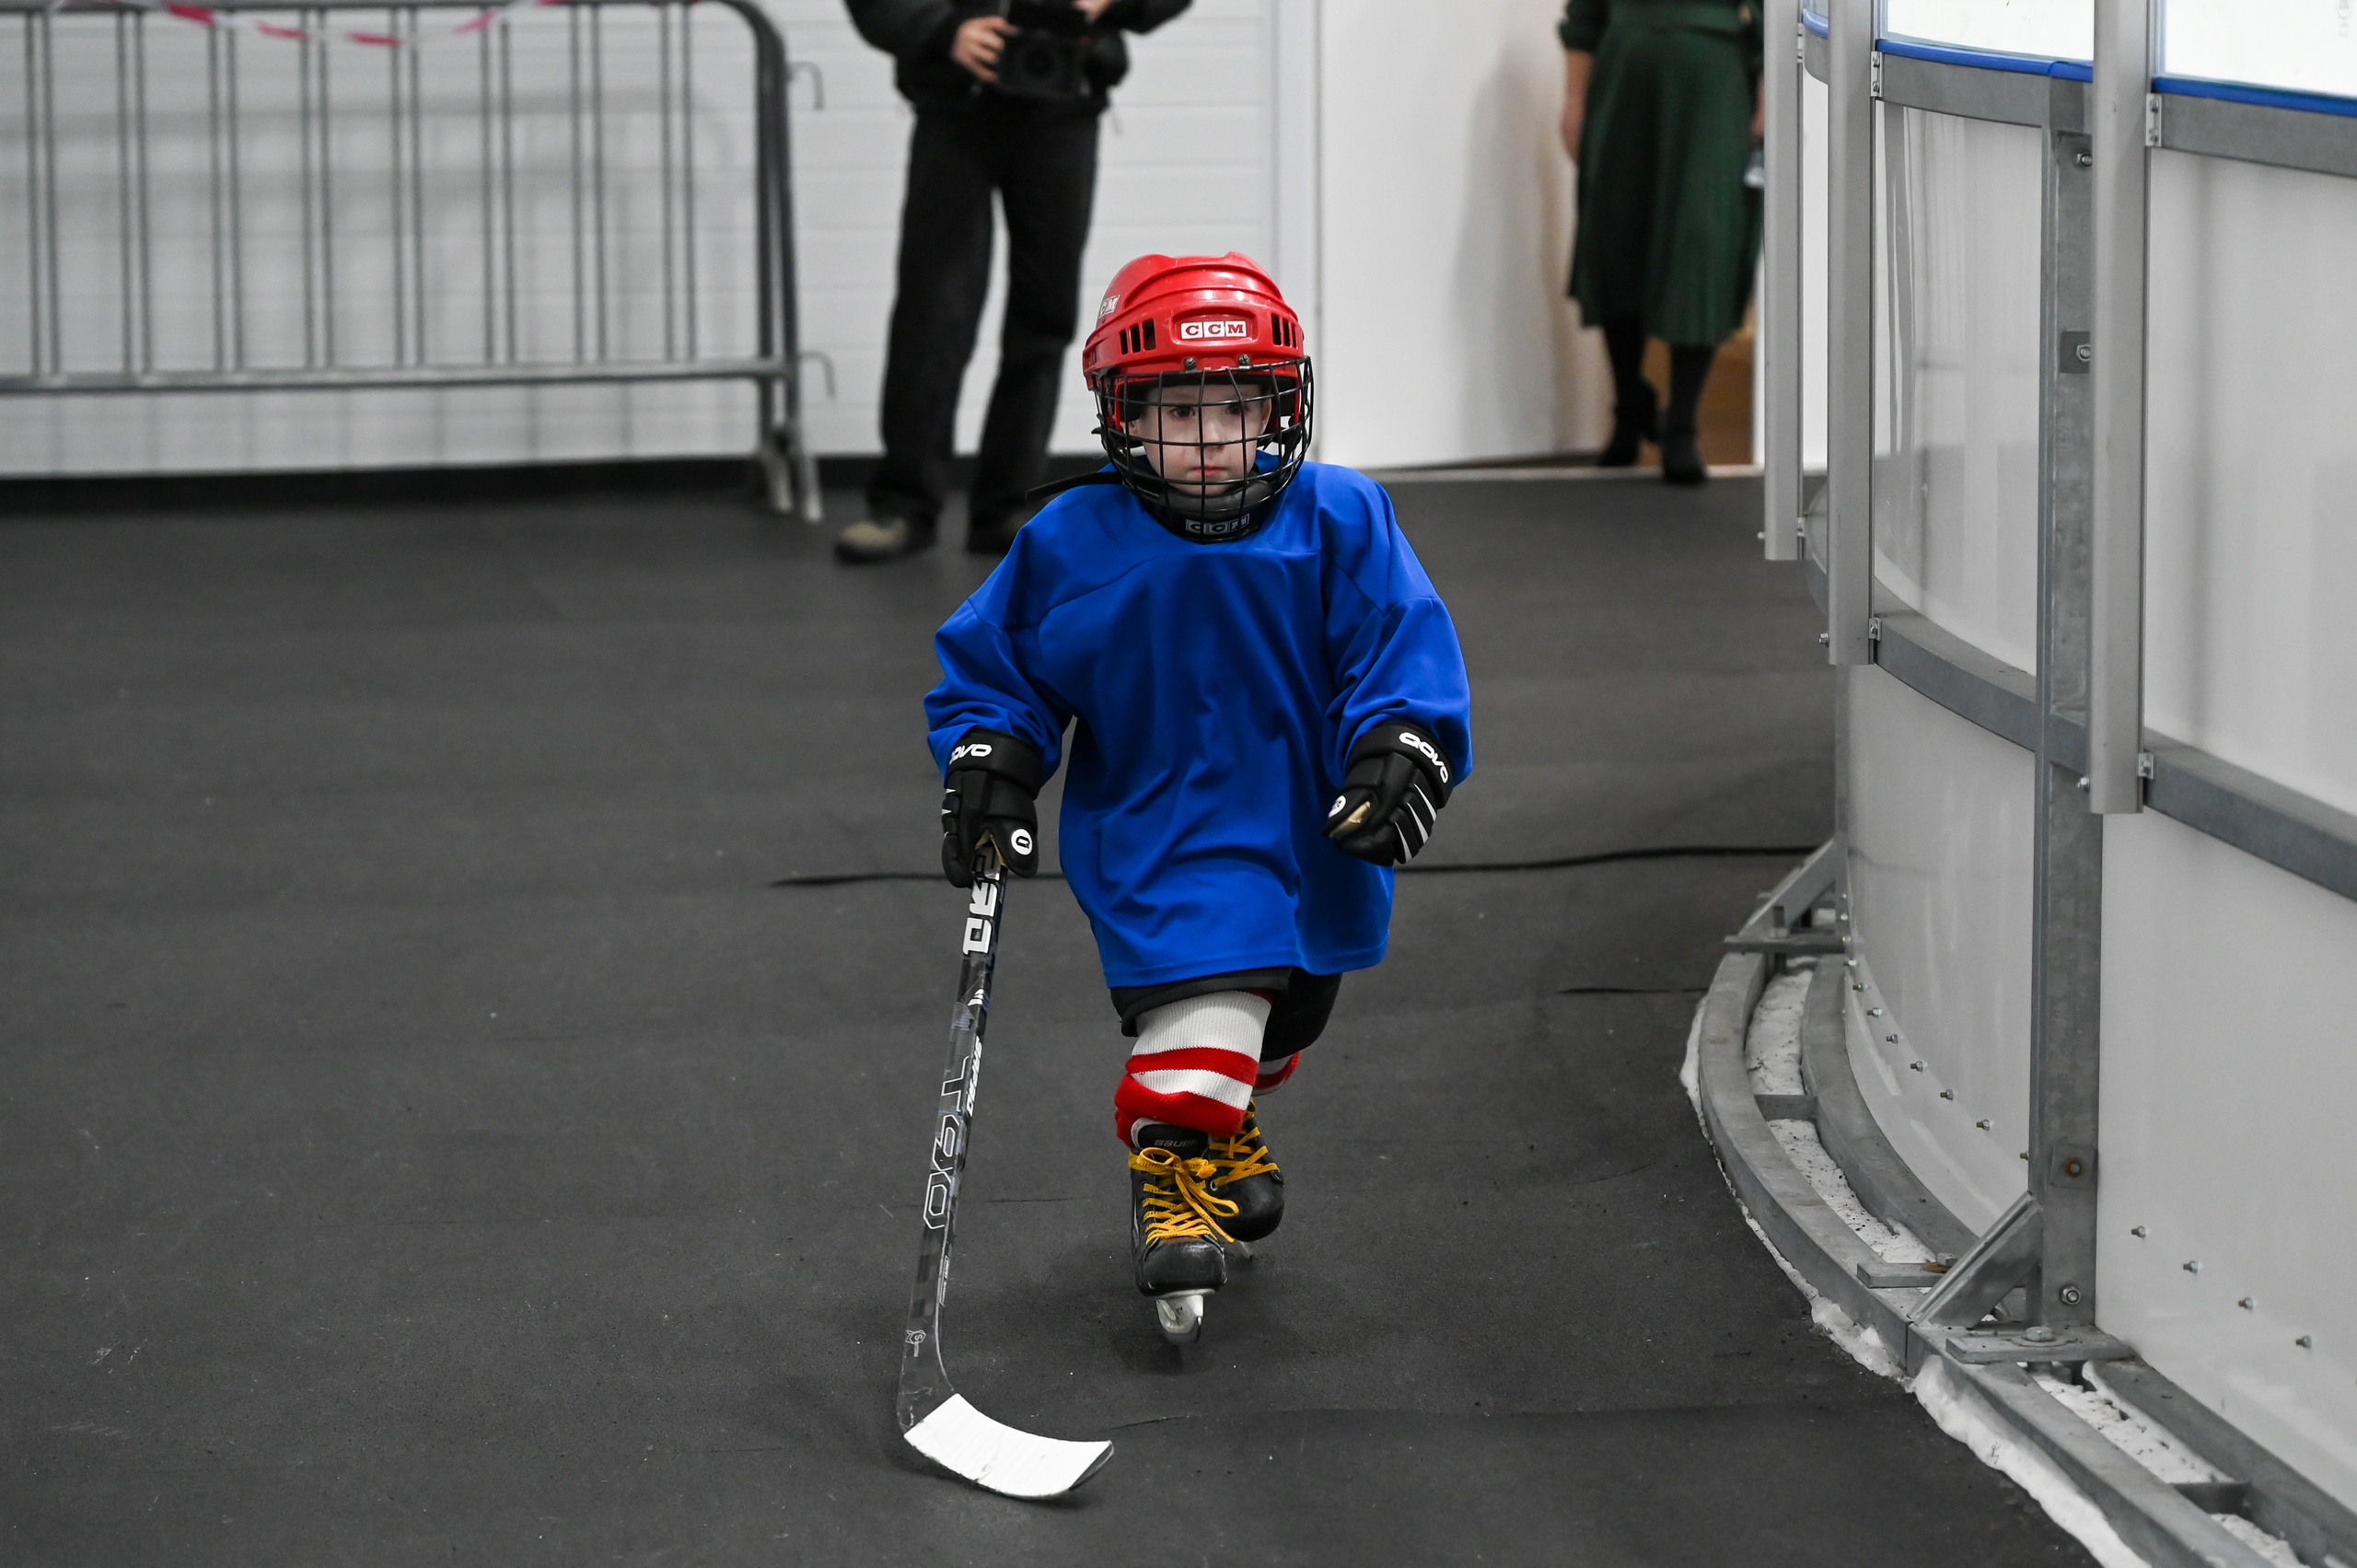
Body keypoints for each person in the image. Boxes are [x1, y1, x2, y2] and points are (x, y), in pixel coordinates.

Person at [922, 254, 1474, 1342]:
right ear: (1125, 416)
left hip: (1310, 830)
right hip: (1162, 828)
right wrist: (990, 756)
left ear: (1279, 408)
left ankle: (1224, 1108)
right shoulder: (1071, 542)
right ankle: (1173, 1164)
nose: (1213, 435)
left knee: (1286, 1010)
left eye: (1238, 406)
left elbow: (1400, 646)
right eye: (1180, 410)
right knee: (1215, 984)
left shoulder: (1342, 517)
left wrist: (1402, 743)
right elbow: (998, 668)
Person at [835, 0, 1191, 564]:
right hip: (955, 107)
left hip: (1065, 106)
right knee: (932, 314)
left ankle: (1008, 506)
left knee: (1043, 317)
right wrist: (944, 31)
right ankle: (903, 504)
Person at [1559, 0, 1763, 485]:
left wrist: (1767, 97)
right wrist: (1574, 99)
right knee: (1616, 234)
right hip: (1623, 75)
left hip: (1713, 82)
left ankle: (1682, 425)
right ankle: (1629, 406)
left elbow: (1771, 19)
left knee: (1702, 240)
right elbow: (1583, 17)